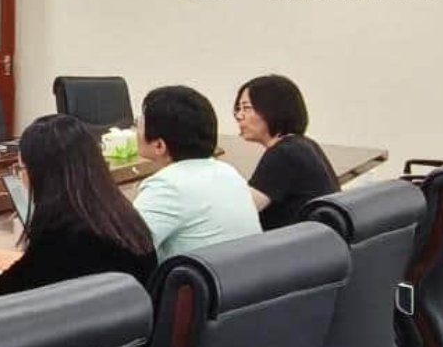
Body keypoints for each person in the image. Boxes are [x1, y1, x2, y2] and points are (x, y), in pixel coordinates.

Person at [0, 114, 156, 301]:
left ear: (42, 174)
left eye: (21, 168)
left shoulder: (66, 232)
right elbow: (37, 267)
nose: (21, 176)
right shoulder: (113, 214)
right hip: (124, 331)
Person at [132, 85, 262, 259]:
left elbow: (126, 252)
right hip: (245, 272)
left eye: (138, 123)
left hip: (202, 276)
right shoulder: (228, 172)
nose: (135, 130)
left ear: (159, 145)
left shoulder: (168, 186)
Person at [234, 74, 339, 231]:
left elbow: (240, 212)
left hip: (298, 243)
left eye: (247, 108)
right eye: (238, 109)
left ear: (273, 109)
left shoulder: (284, 153)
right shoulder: (303, 144)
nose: (239, 116)